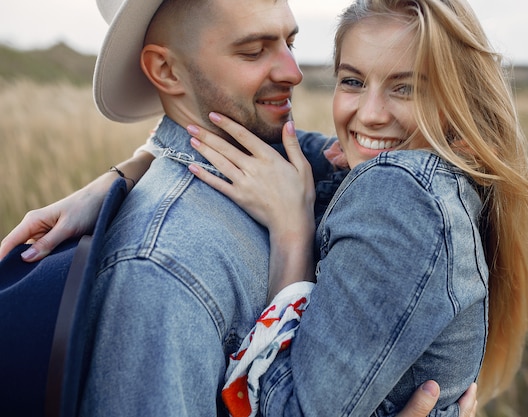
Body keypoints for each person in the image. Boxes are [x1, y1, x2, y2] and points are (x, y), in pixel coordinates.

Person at [0, 0, 478, 415]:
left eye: (290, 40)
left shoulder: (282, 166)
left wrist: (123, 173)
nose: (293, 70)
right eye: (253, 50)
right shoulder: (159, 273)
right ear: (166, 71)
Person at [182, 0, 528, 415]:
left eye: (405, 88)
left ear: (459, 107)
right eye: (352, 82)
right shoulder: (415, 179)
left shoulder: (401, 191)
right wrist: (123, 177)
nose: (369, 116)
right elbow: (263, 146)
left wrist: (291, 235)